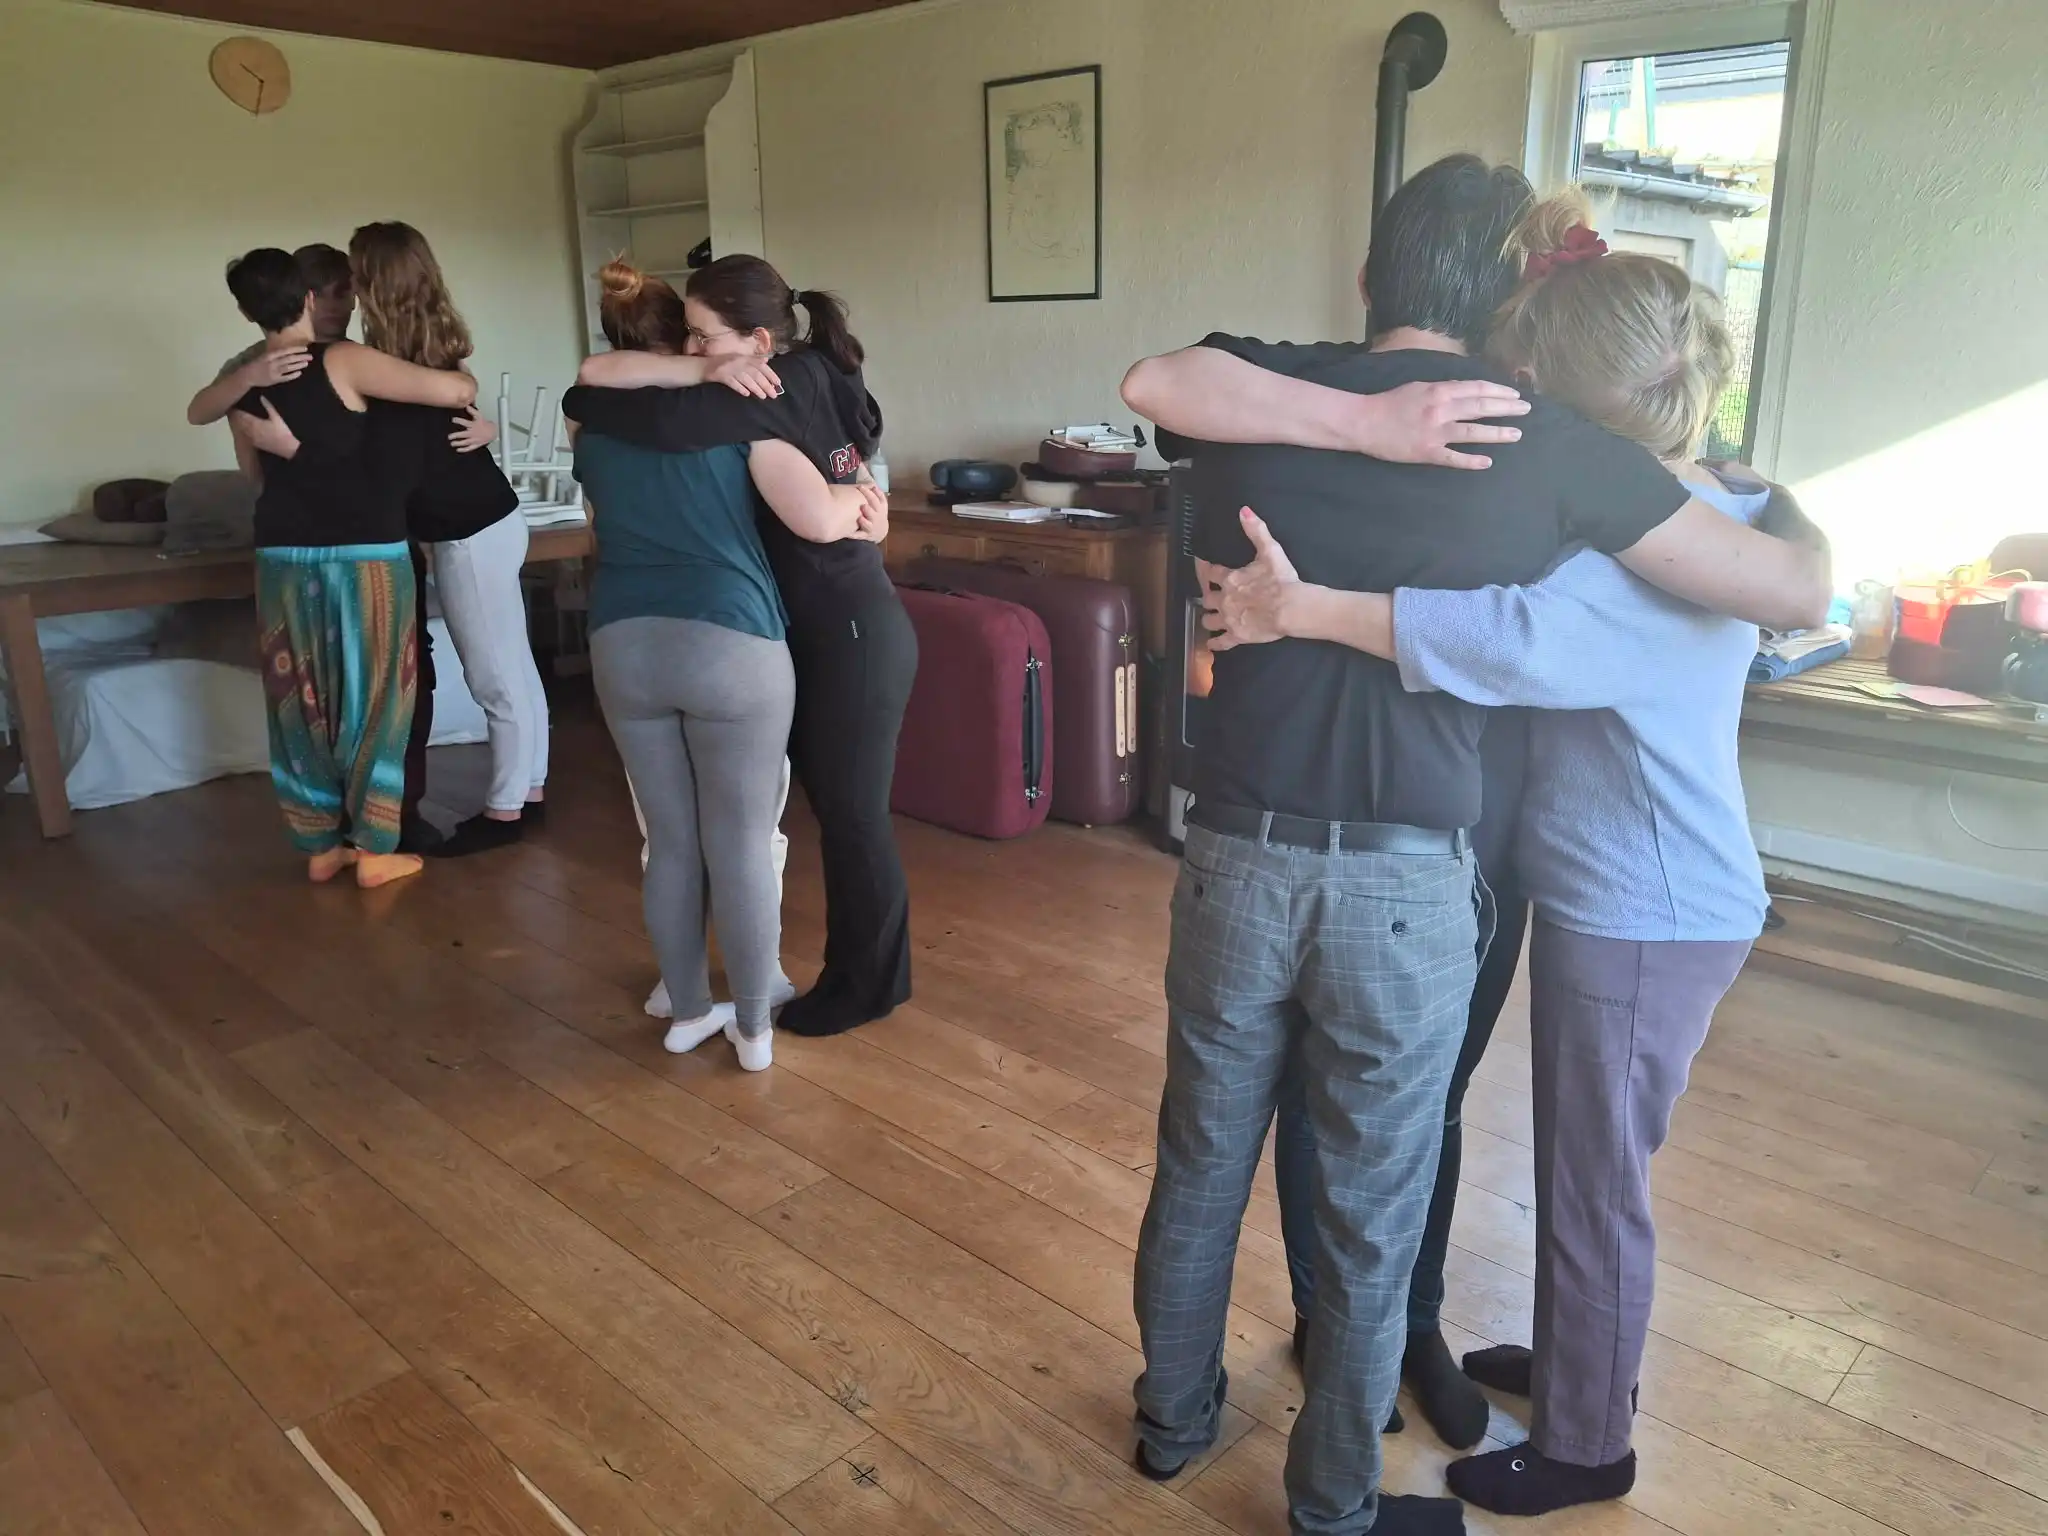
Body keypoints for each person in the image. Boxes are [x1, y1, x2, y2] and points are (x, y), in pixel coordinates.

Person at [1118, 154, 1829, 1536]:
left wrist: (1353, 430)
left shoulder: (1258, 395)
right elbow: (1792, 590)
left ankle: (1171, 1424)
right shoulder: (1543, 440)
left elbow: (1153, 380)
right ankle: (1335, 1502)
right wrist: (1779, 500)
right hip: (1406, 884)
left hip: (1231, 855)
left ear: (1369, 274)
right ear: (1508, 301)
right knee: (1376, 1198)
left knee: (1199, 1158)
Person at [564, 254, 914, 1040]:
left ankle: (865, 986)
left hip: (848, 630)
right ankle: (838, 981)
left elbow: (610, 404)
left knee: (852, 818)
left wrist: (859, 507)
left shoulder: (762, 390)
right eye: (686, 336)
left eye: (704, 337)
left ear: (757, 341)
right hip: (819, 625)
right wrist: (865, 504)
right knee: (827, 816)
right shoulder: (807, 368)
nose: (695, 352)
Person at [216, 248, 477, 888]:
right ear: (309, 298)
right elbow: (458, 389)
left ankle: (319, 845)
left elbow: (254, 476)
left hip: (281, 551)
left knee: (299, 700)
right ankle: (376, 849)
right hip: (364, 553)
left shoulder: (243, 378)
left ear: (247, 311)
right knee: (376, 697)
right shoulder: (346, 359)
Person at [348, 221, 549, 857]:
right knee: (514, 667)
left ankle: (507, 810)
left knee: (495, 678)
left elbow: (404, 463)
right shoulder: (433, 354)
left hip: (471, 534)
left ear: (372, 284)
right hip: (493, 521)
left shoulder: (395, 371)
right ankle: (529, 788)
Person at [188, 243, 355, 426]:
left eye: (341, 294)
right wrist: (247, 378)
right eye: (318, 294)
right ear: (303, 296)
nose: (331, 305)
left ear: (354, 297)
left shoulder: (363, 357)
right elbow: (197, 414)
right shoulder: (258, 359)